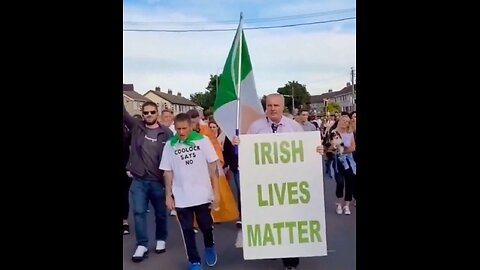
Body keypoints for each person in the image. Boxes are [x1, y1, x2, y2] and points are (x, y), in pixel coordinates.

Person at [233, 93, 324, 270]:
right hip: (265, 183)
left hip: (289, 183)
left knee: (290, 218)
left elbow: (305, 150)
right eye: (269, 105)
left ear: (283, 107)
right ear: (265, 107)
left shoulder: (294, 127)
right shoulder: (255, 127)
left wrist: (316, 150)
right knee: (271, 218)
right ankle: (273, 247)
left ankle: (291, 262)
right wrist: (239, 143)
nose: (272, 109)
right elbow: (247, 153)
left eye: (276, 105)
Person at [160, 113, 220, 270]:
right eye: (178, 129)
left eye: (184, 128)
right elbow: (167, 171)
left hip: (202, 193)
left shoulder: (202, 140)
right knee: (187, 230)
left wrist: (217, 193)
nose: (181, 132)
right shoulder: (170, 145)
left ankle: (209, 245)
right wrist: (168, 195)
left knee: (206, 226)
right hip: (182, 196)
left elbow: (213, 167)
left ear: (191, 126)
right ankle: (194, 261)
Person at [123, 101, 173, 262]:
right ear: (142, 114)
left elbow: (174, 156)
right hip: (139, 179)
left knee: (160, 214)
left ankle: (160, 239)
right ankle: (142, 244)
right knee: (138, 212)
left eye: (152, 112)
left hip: (158, 181)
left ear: (156, 113)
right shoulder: (137, 127)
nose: (149, 115)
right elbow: (124, 115)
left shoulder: (166, 133)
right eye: (146, 113)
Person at [122, 124, 132, 235]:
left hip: (124, 168)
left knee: (124, 195)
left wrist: (130, 166)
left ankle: (125, 221)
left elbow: (131, 149)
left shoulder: (126, 132)